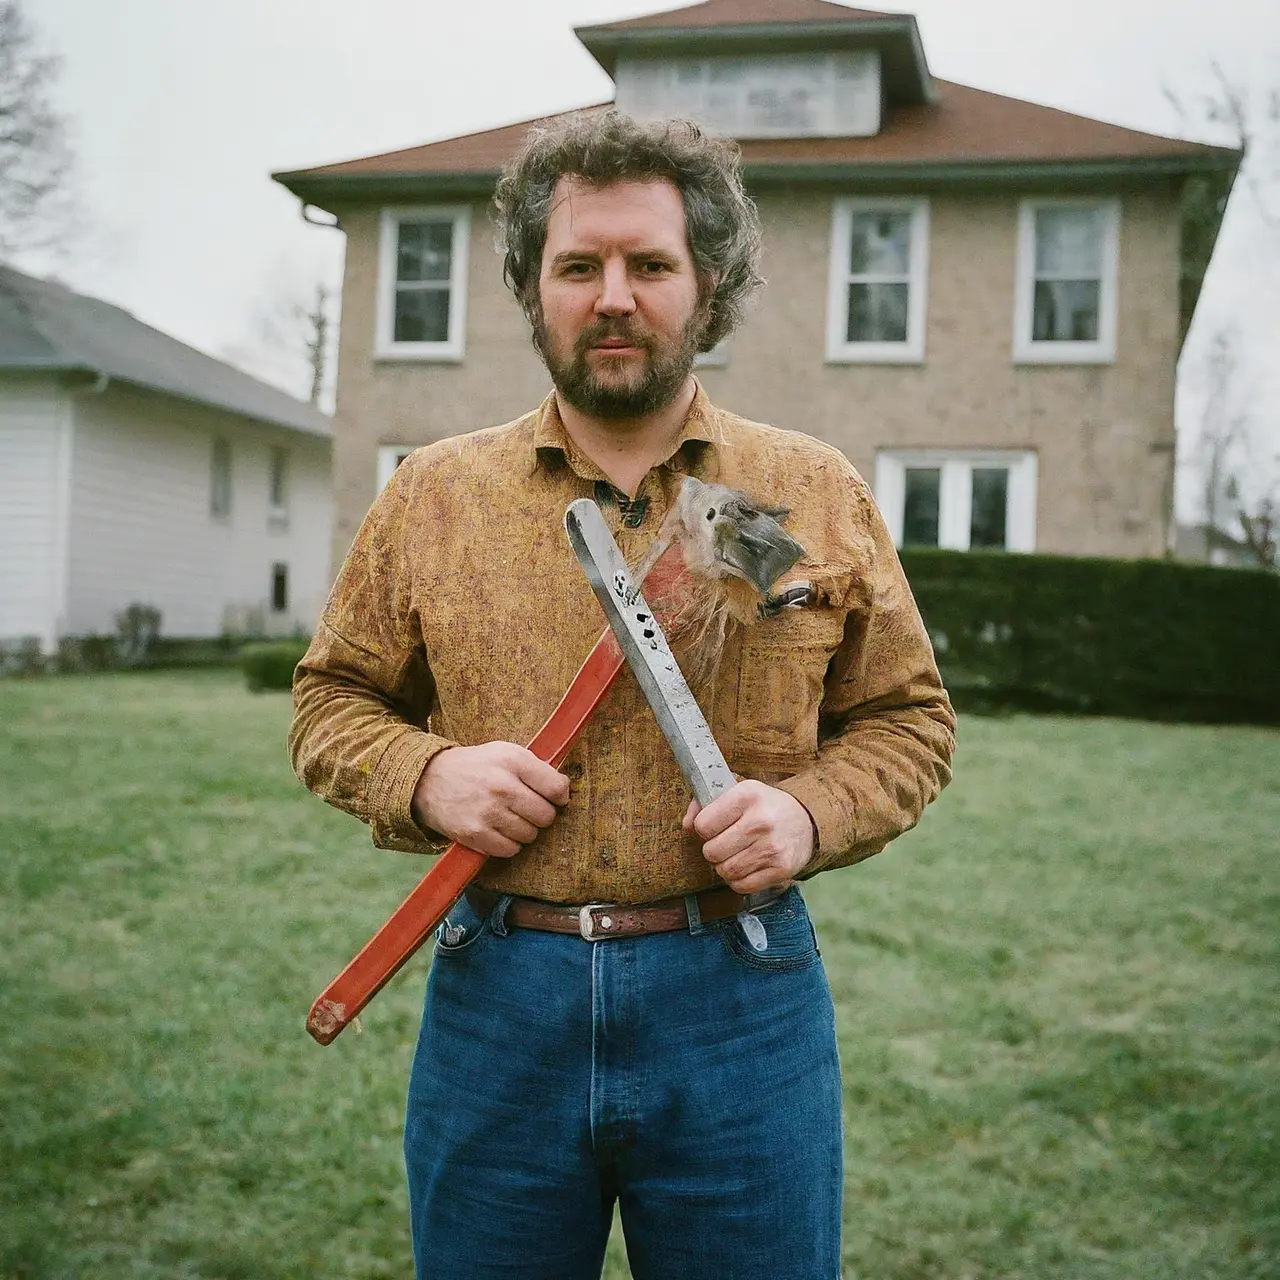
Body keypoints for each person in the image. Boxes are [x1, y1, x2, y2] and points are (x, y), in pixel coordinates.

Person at [289, 110, 956, 1280]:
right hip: (499, 994)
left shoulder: (797, 489)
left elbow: (906, 719)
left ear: (707, 284)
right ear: (531, 285)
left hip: (739, 999)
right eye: (578, 265)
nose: (612, 296)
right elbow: (330, 699)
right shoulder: (433, 496)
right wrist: (428, 773)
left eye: (649, 264)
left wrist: (804, 813)